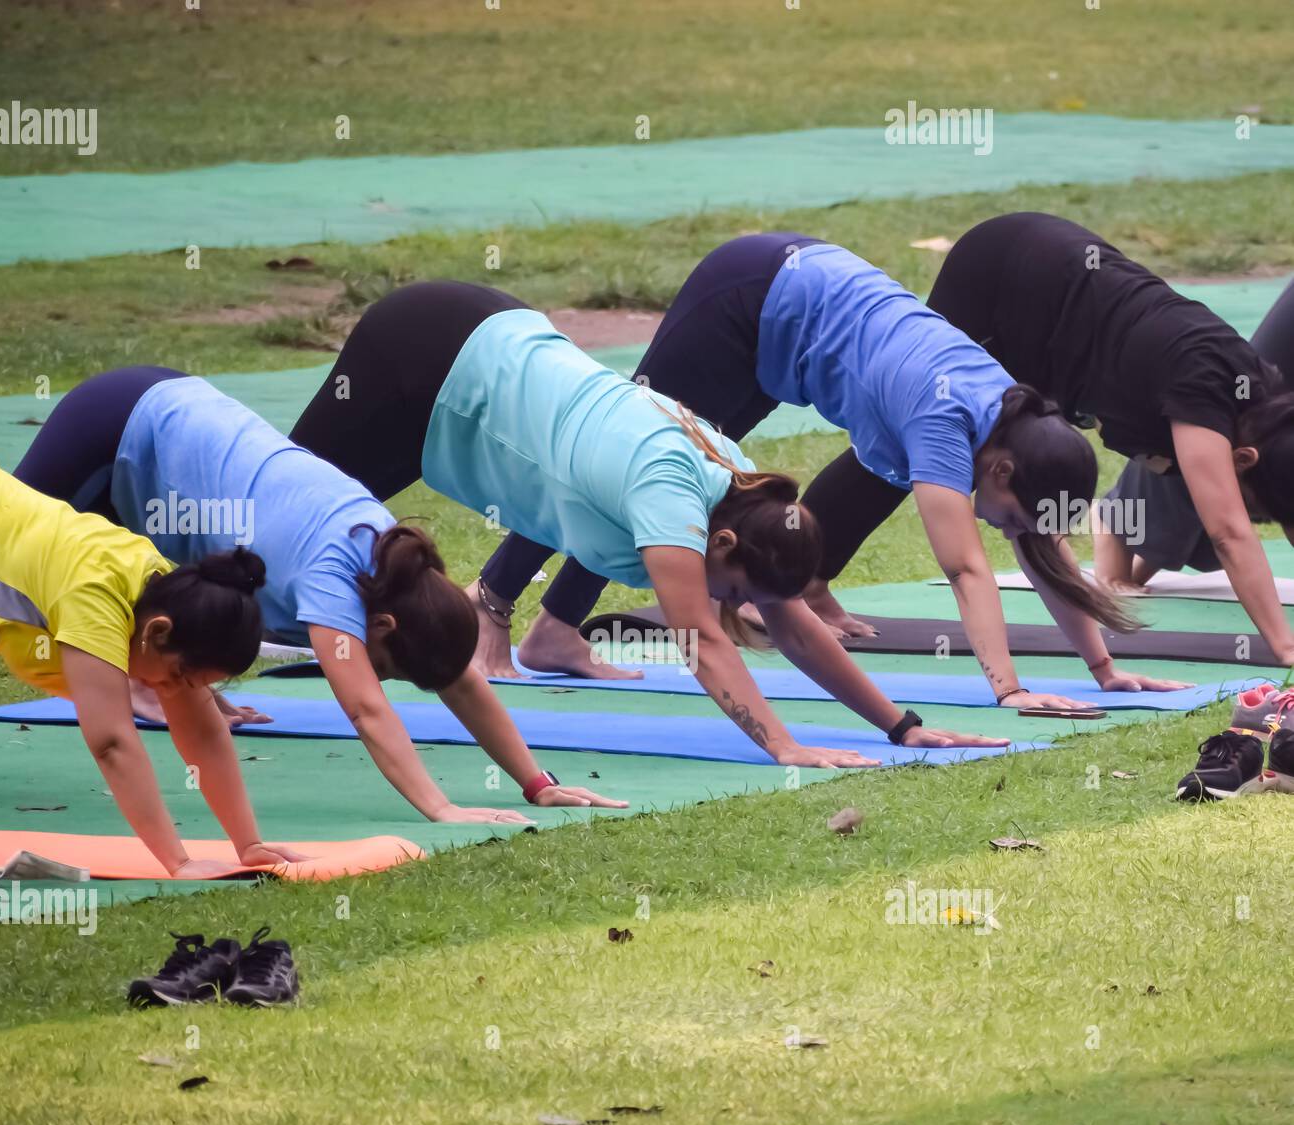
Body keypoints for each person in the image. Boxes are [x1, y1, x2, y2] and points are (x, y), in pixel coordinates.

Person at [292, 281, 1008, 762]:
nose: (732, 606)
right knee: (287, 512)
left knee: (315, 520)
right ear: (720, 543)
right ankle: (187, 670)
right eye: (733, 589)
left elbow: (790, 620)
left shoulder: (741, 488)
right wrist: (784, 747)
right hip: (427, 350)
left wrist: (901, 726)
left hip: (478, 356)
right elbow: (700, 638)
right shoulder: (671, 491)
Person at [454, 238, 1184, 705]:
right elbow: (966, 569)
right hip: (744, 299)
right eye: (1011, 512)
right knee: (622, 472)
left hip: (785, 315)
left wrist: (1104, 669)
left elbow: (1043, 545)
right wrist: (1010, 690)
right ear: (999, 466)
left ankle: (554, 631)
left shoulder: (1012, 428)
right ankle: (488, 605)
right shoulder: (946, 418)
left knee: (666, 495)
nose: (1006, 529)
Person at [14, 367, 624, 826]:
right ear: (381, 627)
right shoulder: (335, 576)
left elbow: (459, 676)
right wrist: (441, 807)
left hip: (175, 419)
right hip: (120, 423)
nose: (378, 679)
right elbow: (364, 710)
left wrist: (536, 782)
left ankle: (152, 680)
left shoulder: (394, 570)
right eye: (388, 669)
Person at [923, 212, 1294, 666]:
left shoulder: (1259, 405)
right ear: (1242, 459)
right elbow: (1229, 532)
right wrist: (1285, 646)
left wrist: (1104, 665)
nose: (1256, 519)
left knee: (1033, 511)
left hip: (1060, 318)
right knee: (913, 441)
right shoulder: (1207, 387)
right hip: (1009, 273)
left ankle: (815, 579)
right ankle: (814, 580)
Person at [0, 463, 302, 878]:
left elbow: (204, 733)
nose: (171, 691)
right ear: (158, 633)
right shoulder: (95, 595)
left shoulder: (167, 592)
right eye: (178, 676)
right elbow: (111, 742)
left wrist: (249, 845)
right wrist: (179, 863)